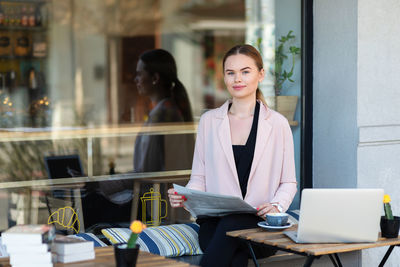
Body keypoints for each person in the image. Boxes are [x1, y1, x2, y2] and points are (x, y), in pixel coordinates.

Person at [168, 44, 297, 267]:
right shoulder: (209, 121)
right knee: (234, 251)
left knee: (233, 233)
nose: (238, 79)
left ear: (261, 74)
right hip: (214, 224)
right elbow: (199, 177)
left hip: (260, 226)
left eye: (245, 71)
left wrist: (276, 206)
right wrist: (187, 195)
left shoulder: (277, 124)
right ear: (224, 77)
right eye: (231, 73)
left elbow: (289, 181)